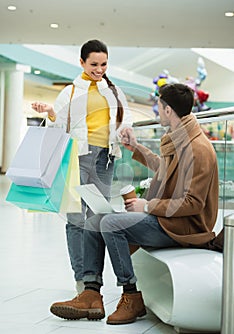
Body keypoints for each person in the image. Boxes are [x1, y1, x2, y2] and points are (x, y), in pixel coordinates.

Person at [49, 83, 219, 325]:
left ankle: (131, 296)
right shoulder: (180, 140)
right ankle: (90, 294)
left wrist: (147, 206)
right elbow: (166, 169)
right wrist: (136, 148)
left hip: (184, 228)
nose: (157, 112)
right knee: (94, 221)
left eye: (159, 108)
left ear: (168, 110)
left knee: (111, 224)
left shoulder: (198, 148)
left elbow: (193, 204)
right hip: (167, 220)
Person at [31, 39, 132, 294]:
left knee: (98, 218)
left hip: (105, 159)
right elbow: (58, 125)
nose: (100, 69)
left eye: (104, 64)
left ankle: (92, 279)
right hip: (78, 157)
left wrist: (125, 132)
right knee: (76, 218)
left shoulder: (115, 91)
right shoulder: (71, 91)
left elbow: (125, 119)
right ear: (82, 63)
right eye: (94, 64)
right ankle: (81, 278)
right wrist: (51, 113)